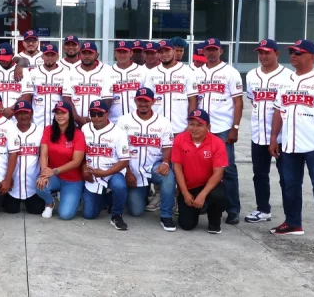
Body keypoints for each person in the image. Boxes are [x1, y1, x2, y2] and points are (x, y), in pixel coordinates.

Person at [269, 39, 314, 250]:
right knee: (290, 186)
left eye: (298, 53)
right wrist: (274, 138)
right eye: (292, 52)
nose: (293, 55)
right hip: (289, 146)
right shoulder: (286, 81)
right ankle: (293, 222)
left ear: (312, 57)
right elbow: (279, 112)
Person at [193, 37, 244, 225]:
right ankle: (206, 203)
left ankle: (232, 209)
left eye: (214, 49)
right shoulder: (197, 73)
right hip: (200, 128)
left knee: (227, 169)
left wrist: (235, 127)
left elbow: (238, 102)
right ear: (204, 52)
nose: (211, 52)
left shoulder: (230, 72)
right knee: (202, 168)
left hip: (223, 128)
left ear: (220, 51)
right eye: (208, 49)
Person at [244, 39, 292, 224]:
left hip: (282, 136)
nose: (263, 56)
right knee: (259, 174)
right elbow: (252, 100)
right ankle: (263, 210)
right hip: (258, 134)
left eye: (267, 52)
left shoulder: (288, 76)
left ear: (277, 54)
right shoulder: (251, 75)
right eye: (260, 52)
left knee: (286, 177)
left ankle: (291, 215)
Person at [117, 87, 177, 231]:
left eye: (146, 101)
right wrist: (127, 172)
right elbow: (119, 149)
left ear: (153, 102)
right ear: (135, 101)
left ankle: (166, 216)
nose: (143, 104)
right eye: (140, 100)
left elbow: (167, 146)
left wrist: (165, 162)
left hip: (153, 165)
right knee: (136, 211)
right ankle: (142, 194)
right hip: (133, 168)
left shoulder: (163, 122)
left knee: (168, 177)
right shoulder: (124, 120)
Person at [172, 109, 228, 233]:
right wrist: (185, 192)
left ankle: (214, 221)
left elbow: (218, 173)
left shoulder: (217, 143)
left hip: (208, 186)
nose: (195, 129)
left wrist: (203, 194)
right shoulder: (179, 139)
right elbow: (177, 167)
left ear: (208, 127)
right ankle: (196, 208)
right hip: (189, 186)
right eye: (191, 124)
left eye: (199, 125)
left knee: (218, 194)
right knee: (186, 225)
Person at [81, 99, 130, 230]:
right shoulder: (85, 129)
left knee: (119, 186)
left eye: (100, 114)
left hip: (112, 172)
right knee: (89, 214)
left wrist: (104, 173)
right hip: (92, 173)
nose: (96, 117)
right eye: (93, 114)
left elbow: (125, 160)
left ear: (107, 114)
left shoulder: (118, 133)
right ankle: (106, 197)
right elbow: (80, 154)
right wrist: (83, 168)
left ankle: (117, 215)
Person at [36, 101, 85, 220]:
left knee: (65, 215)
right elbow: (43, 153)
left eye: (63, 112)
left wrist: (54, 171)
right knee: (40, 185)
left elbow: (76, 162)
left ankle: (73, 196)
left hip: (73, 179)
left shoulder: (78, 134)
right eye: (57, 113)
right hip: (55, 177)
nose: (60, 115)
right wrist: (44, 174)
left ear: (70, 114)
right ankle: (50, 203)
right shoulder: (49, 130)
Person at [144, 39, 198, 134]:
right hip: (157, 128)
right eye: (161, 51)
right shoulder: (151, 73)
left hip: (181, 127)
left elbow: (192, 100)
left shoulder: (187, 71)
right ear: (157, 54)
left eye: (167, 51)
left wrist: (191, 124)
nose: (164, 54)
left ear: (173, 51)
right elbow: (147, 101)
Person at [4, 101, 46, 215]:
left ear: (31, 113)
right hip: (13, 185)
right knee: (10, 209)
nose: (23, 116)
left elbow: (45, 155)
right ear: (15, 115)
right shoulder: (9, 130)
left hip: (33, 185)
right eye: (20, 113)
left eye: (26, 112)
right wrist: (7, 178)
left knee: (36, 210)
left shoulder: (41, 131)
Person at [63, 40, 112, 126]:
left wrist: (96, 118)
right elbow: (67, 99)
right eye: (84, 53)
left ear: (96, 55)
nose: (86, 56)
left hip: (97, 122)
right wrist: (77, 118)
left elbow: (107, 100)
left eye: (90, 53)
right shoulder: (70, 73)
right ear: (80, 54)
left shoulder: (105, 74)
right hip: (73, 122)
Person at [0, 43, 33, 117]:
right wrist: (1, 110)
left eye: (6, 58)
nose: (3, 61)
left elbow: (27, 95)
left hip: (17, 114)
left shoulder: (24, 71)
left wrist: (12, 110)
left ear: (13, 55)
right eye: (1, 58)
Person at [29, 44, 70, 128]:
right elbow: (29, 97)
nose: (49, 58)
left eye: (52, 55)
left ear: (57, 56)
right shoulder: (33, 73)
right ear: (42, 56)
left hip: (58, 122)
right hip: (37, 122)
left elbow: (67, 100)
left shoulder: (65, 73)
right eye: (47, 55)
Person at [106, 40, 148, 123]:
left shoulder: (142, 71)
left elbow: (148, 98)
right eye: (119, 52)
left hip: (138, 121)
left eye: (125, 52)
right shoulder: (107, 72)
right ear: (115, 54)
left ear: (131, 53)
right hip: (114, 121)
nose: (122, 55)